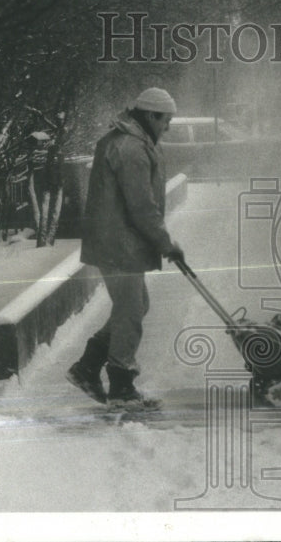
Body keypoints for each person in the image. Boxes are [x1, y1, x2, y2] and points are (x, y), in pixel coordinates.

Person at [67, 87, 184, 408]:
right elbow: (142, 206)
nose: (168, 127)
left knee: (135, 306)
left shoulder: (129, 141)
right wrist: (165, 243)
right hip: (118, 243)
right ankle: (121, 386)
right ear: (150, 115)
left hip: (116, 241)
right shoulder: (130, 148)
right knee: (131, 309)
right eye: (166, 120)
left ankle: (87, 367)